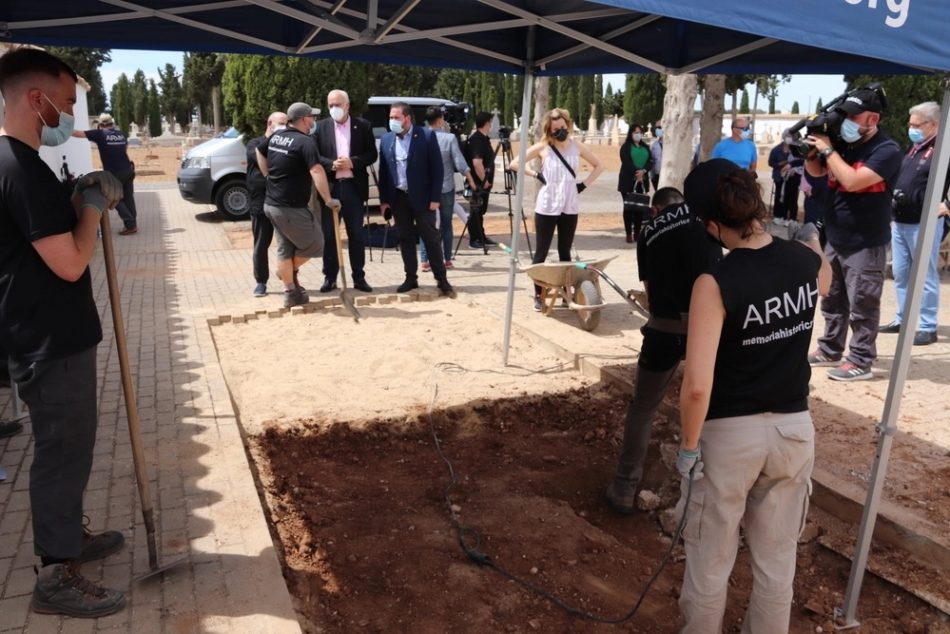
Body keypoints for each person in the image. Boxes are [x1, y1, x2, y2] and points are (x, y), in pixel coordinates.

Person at [676, 159, 830, 633]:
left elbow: (697, 385)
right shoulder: (804, 261)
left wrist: (687, 449)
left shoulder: (715, 282)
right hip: (792, 431)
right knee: (776, 562)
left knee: (710, 560)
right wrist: (809, 237)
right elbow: (824, 278)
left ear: (711, 225)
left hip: (729, 438)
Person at [0, 47, 127, 618]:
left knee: (72, 450)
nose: (69, 115)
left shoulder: (23, 163)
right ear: (37, 100)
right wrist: (94, 210)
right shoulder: (18, 169)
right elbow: (72, 262)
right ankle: (55, 573)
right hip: (49, 341)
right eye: (67, 103)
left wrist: (76, 199)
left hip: (53, 334)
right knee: (61, 454)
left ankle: (69, 540)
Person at [605, 186, 722, 514]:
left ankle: (624, 488)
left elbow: (650, 292)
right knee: (714, 404)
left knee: (643, 407)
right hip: (710, 327)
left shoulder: (649, 230)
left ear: (656, 210)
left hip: (666, 328)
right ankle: (707, 490)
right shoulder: (705, 217)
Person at [804, 87, 903, 380]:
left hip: (865, 241)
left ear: (873, 119)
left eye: (852, 116)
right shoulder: (844, 144)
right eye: (843, 114)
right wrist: (812, 150)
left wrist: (827, 150)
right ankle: (830, 348)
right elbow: (817, 172)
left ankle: (860, 360)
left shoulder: (887, 151)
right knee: (832, 299)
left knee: (863, 303)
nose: (845, 120)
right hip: (835, 236)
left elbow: (852, 180)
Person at [508, 108, 604, 311]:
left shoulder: (576, 146)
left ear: (567, 125)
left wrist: (583, 185)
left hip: (570, 205)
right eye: (555, 128)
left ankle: (565, 294)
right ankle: (538, 294)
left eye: (562, 127)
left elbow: (599, 166)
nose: (560, 130)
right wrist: (535, 174)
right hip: (547, 205)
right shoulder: (544, 147)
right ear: (549, 130)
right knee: (541, 252)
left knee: (565, 251)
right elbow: (514, 163)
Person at [257, 101, 339, 308]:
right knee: (316, 243)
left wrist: (267, 175)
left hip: (272, 205)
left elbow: (260, 150)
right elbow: (317, 171)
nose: (314, 120)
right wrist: (328, 200)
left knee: (285, 248)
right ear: (304, 119)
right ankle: (284, 271)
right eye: (312, 117)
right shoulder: (305, 141)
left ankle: (291, 293)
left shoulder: (277, 136)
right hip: (290, 207)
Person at [879, 101, 948, 346]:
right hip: (900, 221)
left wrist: (947, 206)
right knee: (901, 273)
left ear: (934, 125)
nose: (912, 128)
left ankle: (928, 326)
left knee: (925, 275)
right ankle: (903, 319)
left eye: (917, 124)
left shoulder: (943, 150)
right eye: (911, 124)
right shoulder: (915, 147)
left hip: (924, 222)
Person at [378, 101, 455, 297]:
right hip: (399, 198)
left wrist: (435, 197)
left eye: (396, 117)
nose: (392, 121)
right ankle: (410, 278)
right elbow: (384, 172)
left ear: (407, 118)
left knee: (430, 238)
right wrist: (384, 200)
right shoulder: (387, 140)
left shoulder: (426, 136)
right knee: (405, 238)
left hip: (423, 198)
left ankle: (441, 278)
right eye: (390, 117)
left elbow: (437, 169)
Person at [313, 89, 378, 294]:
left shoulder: (363, 126)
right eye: (330, 105)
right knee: (330, 236)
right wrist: (332, 164)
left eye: (338, 105)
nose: (334, 109)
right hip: (330, 189)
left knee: (356, 234)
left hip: (353, 188)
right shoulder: (321, 127)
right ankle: (329, 277)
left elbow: (371, 154)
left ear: (347, 105)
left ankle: (359, 277)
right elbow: (314, 156)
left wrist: (353, 162)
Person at [420, 106, 477, 272]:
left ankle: (425, 260)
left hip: (427, 189)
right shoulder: (449, 138)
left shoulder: (420, 137)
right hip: (446, 188)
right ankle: (446, 259)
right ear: (440, 121)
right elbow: (460, 163)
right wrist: (471, 181)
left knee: (427, 225)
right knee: (446, 224)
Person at [71, 112, 138, 235]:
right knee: (128, 196)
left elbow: (76, 133)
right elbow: (124, 148)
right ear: (112, 124)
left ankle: (130, 224)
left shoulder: (100, 134)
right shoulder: (122, 134)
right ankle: (133, 223)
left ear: (100, 124)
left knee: (115, 197)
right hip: (128, 169)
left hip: (114, 173)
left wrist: (59, 126)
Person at [246, 110, 287, 297]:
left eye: (286, 124)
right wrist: (272, 137)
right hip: (260, 202)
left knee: (287, 244)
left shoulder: (286, 145)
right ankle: (261, 282)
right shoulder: (254, 143)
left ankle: (291, 280)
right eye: (280, 123)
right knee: (261, 243)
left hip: (282, 201)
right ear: (270, 124)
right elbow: (260, 155)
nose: (284, 127)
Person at [463, 111, 496, 249]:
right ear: (487, 123)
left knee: (480, 210)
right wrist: (484, 180)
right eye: (491, 122)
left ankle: (481, 235)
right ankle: (474, 239)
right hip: (477, 183)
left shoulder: (484, 138)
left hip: (483, 183)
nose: (491, 125)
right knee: (475, 210)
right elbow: (477, 163)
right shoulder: (477, 139)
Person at [617, 123, 654, 243]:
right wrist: (636, 173)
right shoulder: (626, 146)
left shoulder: (645, 146)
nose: (638, 134)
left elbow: (650, 161)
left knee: (640, 208)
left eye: (640, 132)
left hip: (642, 181)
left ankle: (637, 234)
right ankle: (628, 233)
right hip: (628, 181)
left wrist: (643, 172)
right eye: (636, 132)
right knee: (628, 208)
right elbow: (626, 161)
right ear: (631, 133)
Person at [767, 130, 802, 225]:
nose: (789, 137)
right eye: (787, 135)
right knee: (780, 196)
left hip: (793, 177)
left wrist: (793, 168)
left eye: (791, 135)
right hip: (779, 176)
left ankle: (791, 218)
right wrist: (780, 164)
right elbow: (770, 163)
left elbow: (800, 162)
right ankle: (778, 216)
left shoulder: (797, 149)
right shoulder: (776, 149)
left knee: (792, 197)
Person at [649, 119, 663, 190]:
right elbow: (652, 160)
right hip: (657, 177)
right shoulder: (654, 145)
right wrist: (652, 177)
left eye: (660, 127)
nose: (658, 130)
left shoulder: (672, 145)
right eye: (657, 128)